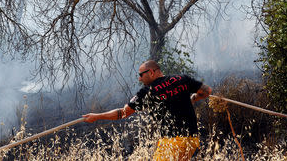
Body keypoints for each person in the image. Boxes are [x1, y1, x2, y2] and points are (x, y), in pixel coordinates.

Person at [82, 59, 212, 161]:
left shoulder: (148, 92)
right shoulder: (181, 79)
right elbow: (206, 91)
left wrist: (97, 116)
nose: (139, 78)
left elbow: (122, 113)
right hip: (192, 140)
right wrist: (193, 98)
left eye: (141, 75)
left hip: (172, 142)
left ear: (151, 72)